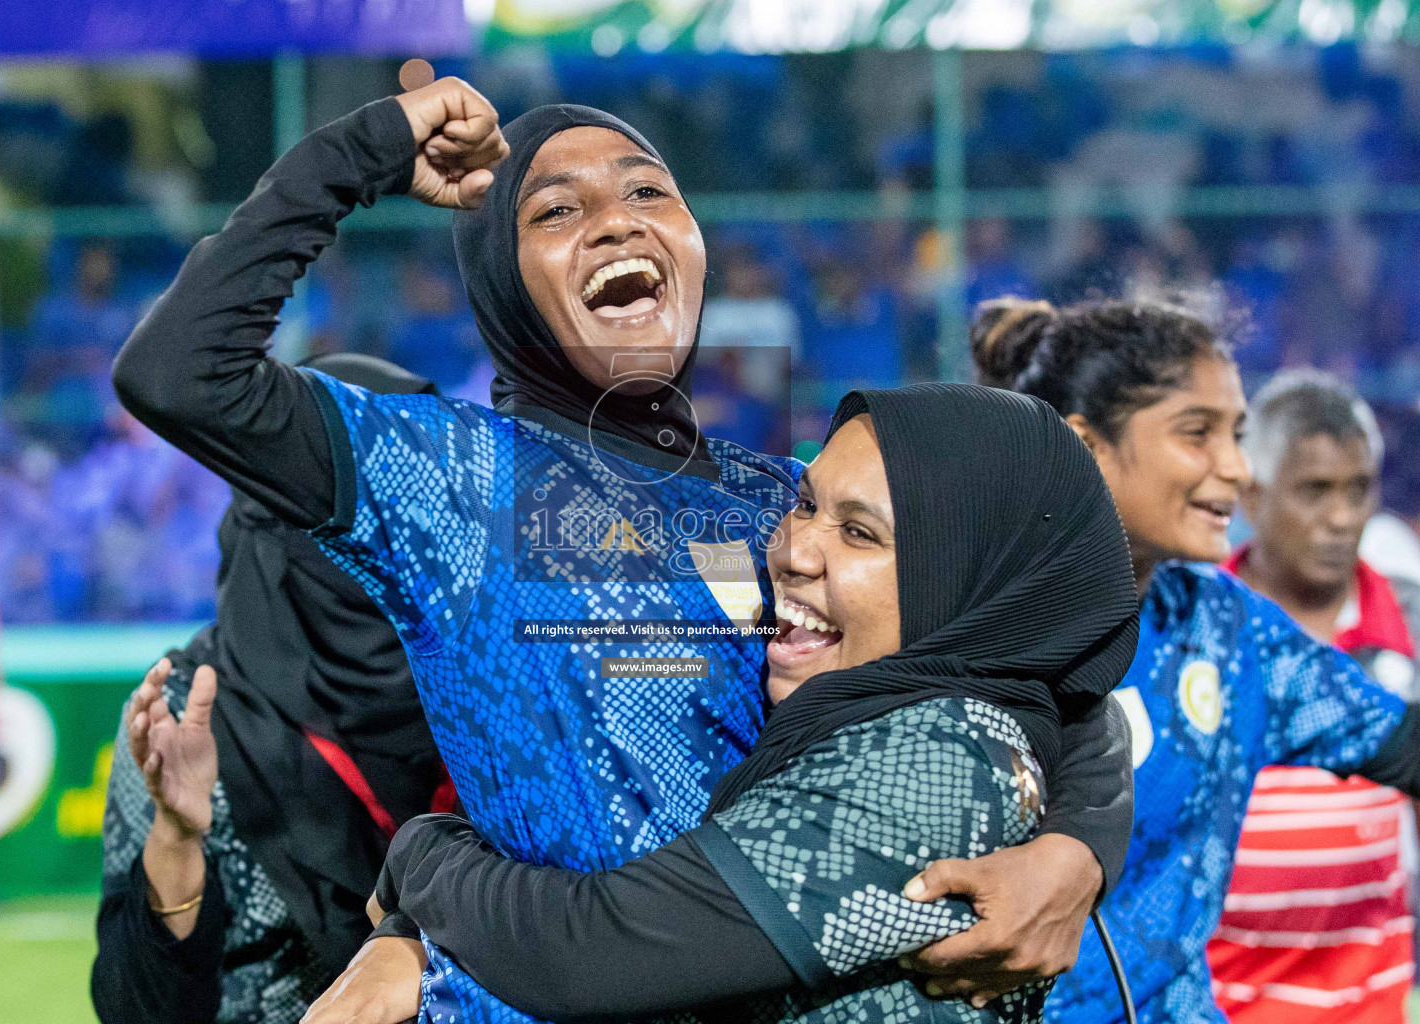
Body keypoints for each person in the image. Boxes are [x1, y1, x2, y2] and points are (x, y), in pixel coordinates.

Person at [112, 77, 1132, 1022]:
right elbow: (178, 372)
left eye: (649, 190)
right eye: (555, 210)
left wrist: (1075, 850)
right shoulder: (447, 478)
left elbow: (1032, 657)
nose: (615, 220)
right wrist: (365, 149)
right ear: (505, 285)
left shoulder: (781, 500)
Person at [348, 383, 1139, 1024]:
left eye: (861, 534)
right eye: (804, 502)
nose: (793, 551)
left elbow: (594, 951)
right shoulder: (916, 699)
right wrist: (1084, 842)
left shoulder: (935, 763)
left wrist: (424, 858)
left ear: (971, 584)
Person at [976, 299, 1420, 1024]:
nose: (1237, 468)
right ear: (1087, 444)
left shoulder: (1226, 627)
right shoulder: (972, 620)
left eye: (1238, 435)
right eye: (1198, 434)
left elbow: (1402, 744)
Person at [90, 354, 450, 1024]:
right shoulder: (193, 711)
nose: (374, 540)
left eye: (403, 501)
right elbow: (136, 1012)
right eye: (334, 503)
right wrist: (175, 839)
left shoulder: (489, 689)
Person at [1208, 370, 1417, 1024]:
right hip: (1213, 1001)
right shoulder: (1193, 630)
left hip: (1376, 1001)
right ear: (1253, 495)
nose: (1342, 518)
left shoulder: (1409, 625)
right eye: (1315, 491)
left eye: (1358, 490)